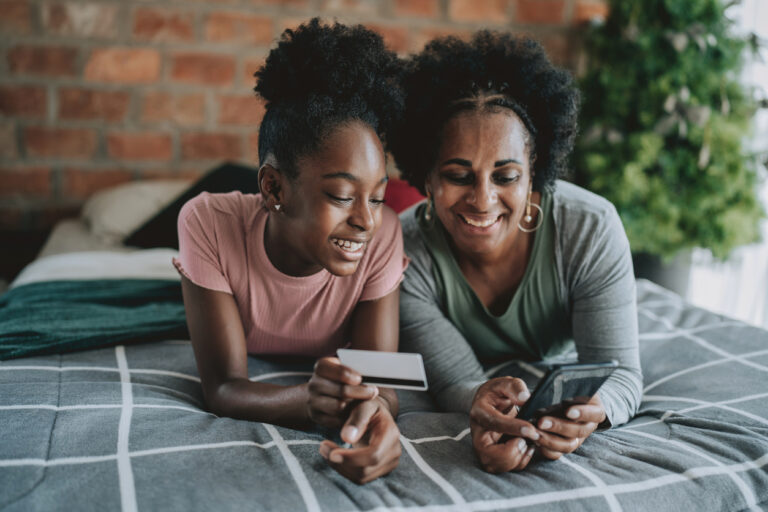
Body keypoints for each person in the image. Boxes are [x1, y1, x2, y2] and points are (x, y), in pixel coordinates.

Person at [390, 31, 642, 473]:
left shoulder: (589, 228)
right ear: (426, 178)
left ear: (534, 176)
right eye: (458, 175)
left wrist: (592, 411)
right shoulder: (406, 254)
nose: (483, 200)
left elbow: (622, 374)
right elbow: (458, 381)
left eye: (505, 177)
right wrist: (488, 411)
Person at [174, 19, 407, 484]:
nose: (365, 219)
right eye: (342, 195)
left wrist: (371, 416)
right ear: (274, 186)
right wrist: (307, 402)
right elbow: (222, 388)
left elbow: (384, 381)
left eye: (377, 197)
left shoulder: (383, 235)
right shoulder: (207, 224)